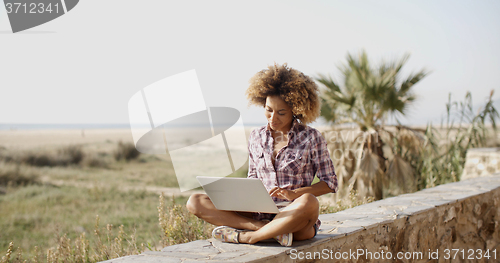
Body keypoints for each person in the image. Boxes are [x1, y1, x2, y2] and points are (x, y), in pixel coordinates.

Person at [186, 63, 338, 246]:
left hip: (292, 214)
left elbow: (330, 183)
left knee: (309, 202)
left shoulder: (311, 137)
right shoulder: (256, 136)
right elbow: (253, 176)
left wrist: (293, 194)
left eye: (281, 112)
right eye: (268, 110)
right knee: (195, 201)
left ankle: (249, 237)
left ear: (295, 110)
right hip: (258, 212)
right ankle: (259, 228)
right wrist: (241, 195)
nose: (273, 118)